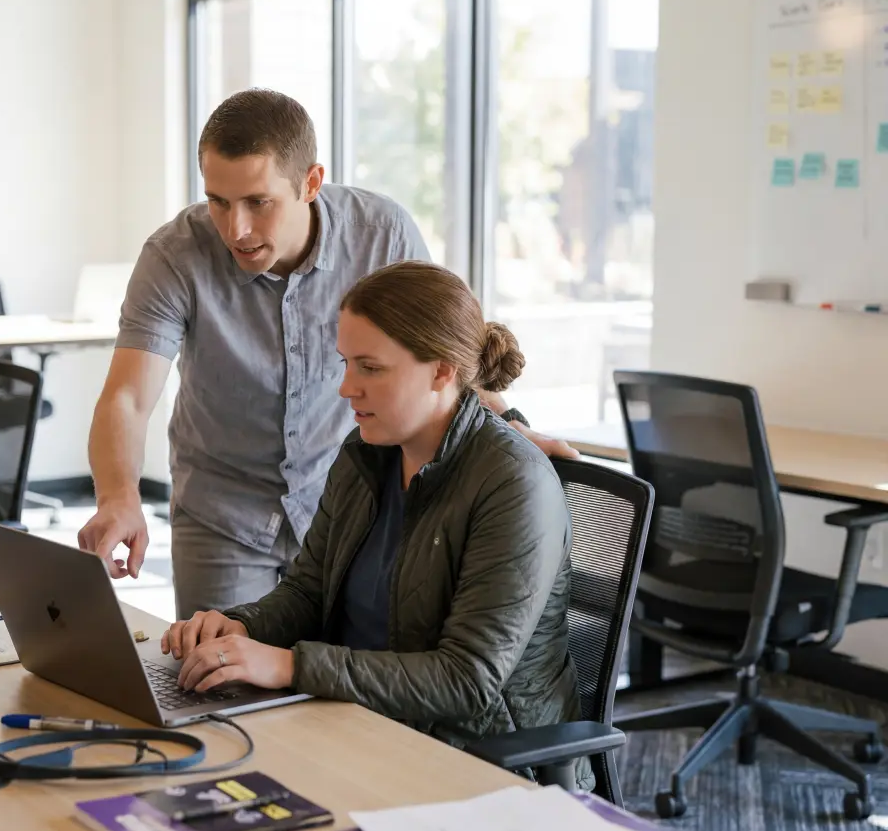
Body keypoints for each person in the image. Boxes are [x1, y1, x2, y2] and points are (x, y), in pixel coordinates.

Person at [78, 88, 578, 619]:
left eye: (258, 202)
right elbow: (129, 396)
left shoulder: (381, 235)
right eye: (218, 201)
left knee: (339, 682)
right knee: (215, 682)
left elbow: (445, 355)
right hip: (223, 516)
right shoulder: (175, 255)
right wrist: (117, 496)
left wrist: (513, 426)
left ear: (310, 183)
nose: (235, 229)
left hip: (351, 511)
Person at [160, 261, 589, 788]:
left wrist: (289, 667)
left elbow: (466, 680)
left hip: (473, 758)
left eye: (370, 367)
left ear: (441, 370)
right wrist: (242, 626)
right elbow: (309, 591)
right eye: (345, 364)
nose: (346, 388)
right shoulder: (367, 455)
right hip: (356, 720)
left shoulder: (513, 484)